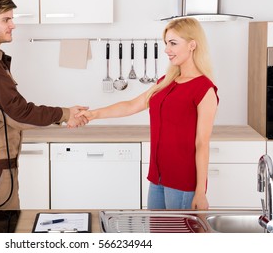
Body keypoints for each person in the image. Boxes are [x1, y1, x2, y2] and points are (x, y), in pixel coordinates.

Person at [0, 0, 88, 210]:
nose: (13, 25)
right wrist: (65, 114)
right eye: (6, 19)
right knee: (1, 228)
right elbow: (17, 112)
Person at [77, 18, 219, 210]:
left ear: (192, 45)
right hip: (157, 178)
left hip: (182, 182)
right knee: (157, 234)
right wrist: (94, 114)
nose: (167, 49)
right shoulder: (166, 81)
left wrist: (200, 192)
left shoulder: (204, 88)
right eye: (166, 43)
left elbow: (202, 143)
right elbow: (131, 105)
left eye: (173, 43)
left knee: (178, 239)